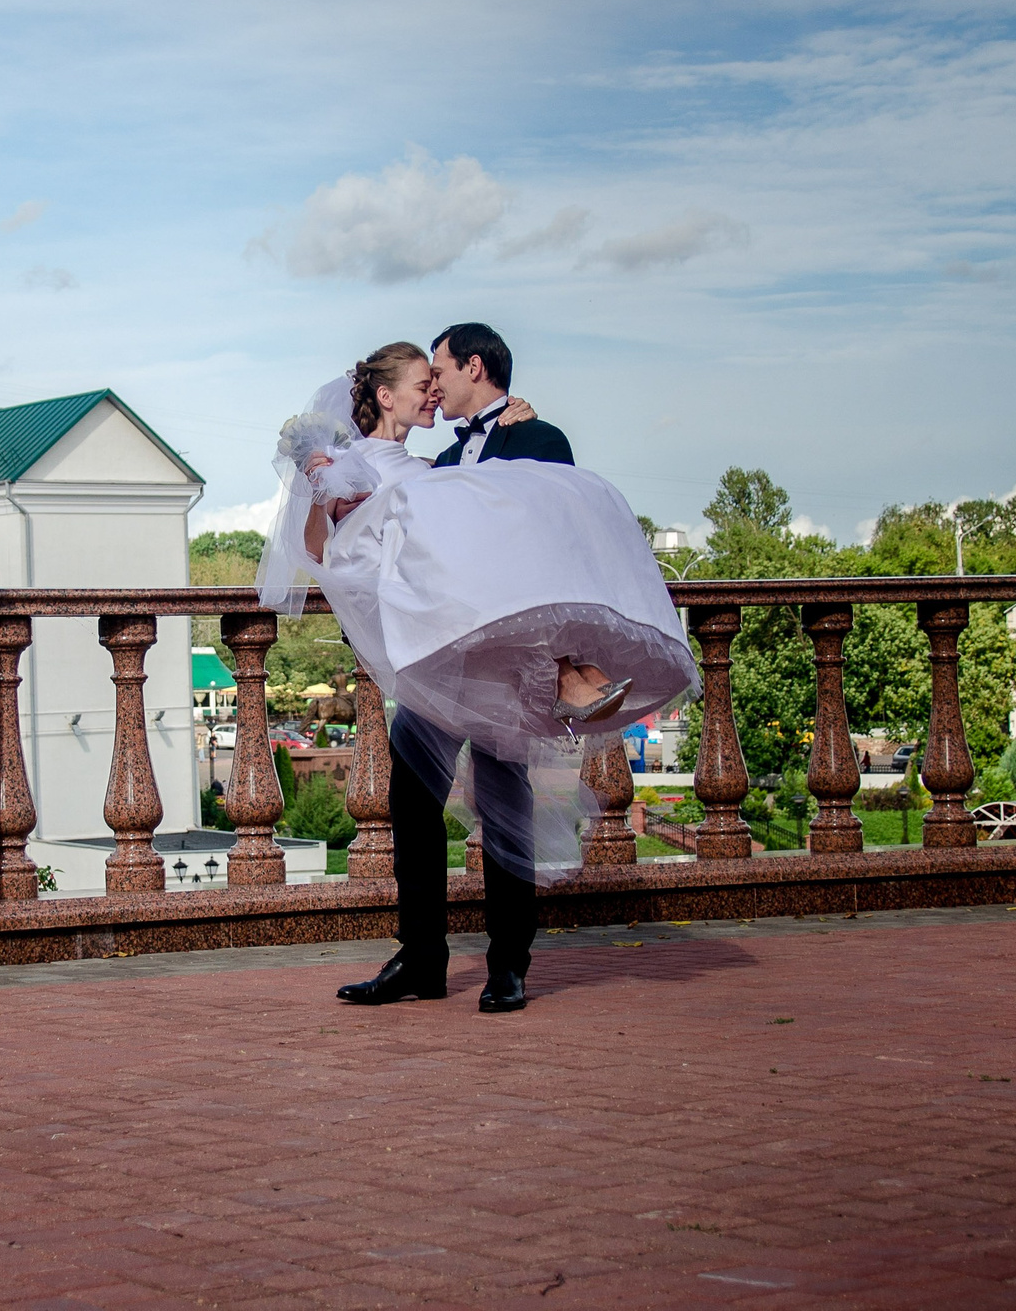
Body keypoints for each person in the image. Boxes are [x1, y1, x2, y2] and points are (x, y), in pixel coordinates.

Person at [259, 324, 695, 1015]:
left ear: (474, 366)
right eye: (424, 381)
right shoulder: (441, 460)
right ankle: (421, 958)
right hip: (440, 662)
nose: (436, 388)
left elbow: (553, 539)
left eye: (441, 375)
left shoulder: (536, 440)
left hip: (500, 670)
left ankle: (508, 964)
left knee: (503, 803)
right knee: (410, 805)